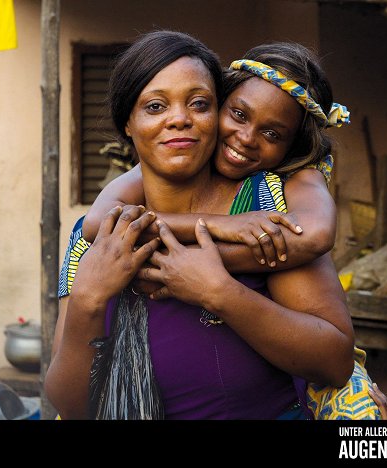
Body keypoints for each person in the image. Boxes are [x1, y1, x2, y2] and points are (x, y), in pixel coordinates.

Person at [46, 31, 355, 419]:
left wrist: (220, 292)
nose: (179, 119)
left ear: (216, 110)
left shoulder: (268, 208)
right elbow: (71, 408)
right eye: (155, 106)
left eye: (199, 104)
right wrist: (88, 301)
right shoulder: (93, 238)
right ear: (128, 122)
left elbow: (335, 361)